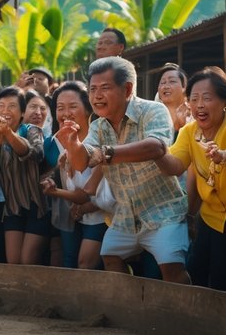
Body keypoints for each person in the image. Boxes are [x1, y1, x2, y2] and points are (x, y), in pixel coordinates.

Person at [59, 56, 190, 284]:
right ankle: (128, 310)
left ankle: (186, 313)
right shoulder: (98, 125)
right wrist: (73, 146)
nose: (97, 95)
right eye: (93, 89)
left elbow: (156, 146)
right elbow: (83, 162)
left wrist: (107, 153)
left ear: (127, 89)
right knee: (110, 256)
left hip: (163, 211)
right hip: (125, 216)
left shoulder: (153, 110)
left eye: (105, 88)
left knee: (172, 270)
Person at [155, 68, 226, 293]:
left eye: (207, 98)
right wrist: (157, 154)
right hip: (213, 217)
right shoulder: (189, 131)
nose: (199, 105)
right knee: (207, 274)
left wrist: (225, 154)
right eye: (194, 99)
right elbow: (175, 165)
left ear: (224, 102)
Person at [0, 86, 48, 265]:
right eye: (1, 106)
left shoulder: (32, 130)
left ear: (22, 112)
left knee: (27, 260)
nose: (5, 111)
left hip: (37, 207)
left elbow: (35, 153)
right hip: (12, 208)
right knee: (13, 262)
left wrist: (9, 134)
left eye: (12, 106)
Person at [41, 81, 110, 270]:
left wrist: (58, 194)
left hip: (100, 213)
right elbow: (56, 175)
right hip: (70, 212)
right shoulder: (56, 140)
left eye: (73, 107)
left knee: (88, 265)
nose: (66, 113)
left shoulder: (102, 140)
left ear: (88, 109)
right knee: (69, 259)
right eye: (60, 108)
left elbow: (96, 189)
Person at [154, 63, 190, 136]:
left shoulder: (195, 116)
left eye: (172, 81)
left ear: (184, 87)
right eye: (162, 83)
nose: (165, 86)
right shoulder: (153, 121)